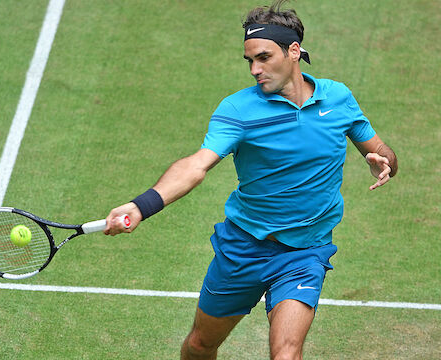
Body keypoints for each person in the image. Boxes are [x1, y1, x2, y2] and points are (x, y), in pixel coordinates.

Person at [103, 1, 398, 359]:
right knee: (200, 345)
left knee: (286, 354)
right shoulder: (239, 110)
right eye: (249, 61)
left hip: (305, 253)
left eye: (263, 57)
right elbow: (196, 165)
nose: (255, 70)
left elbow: (382, 152)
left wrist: (381, 162)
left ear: (293, 51)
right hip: (243, 248)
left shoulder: (338, 98)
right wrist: (141, 205)